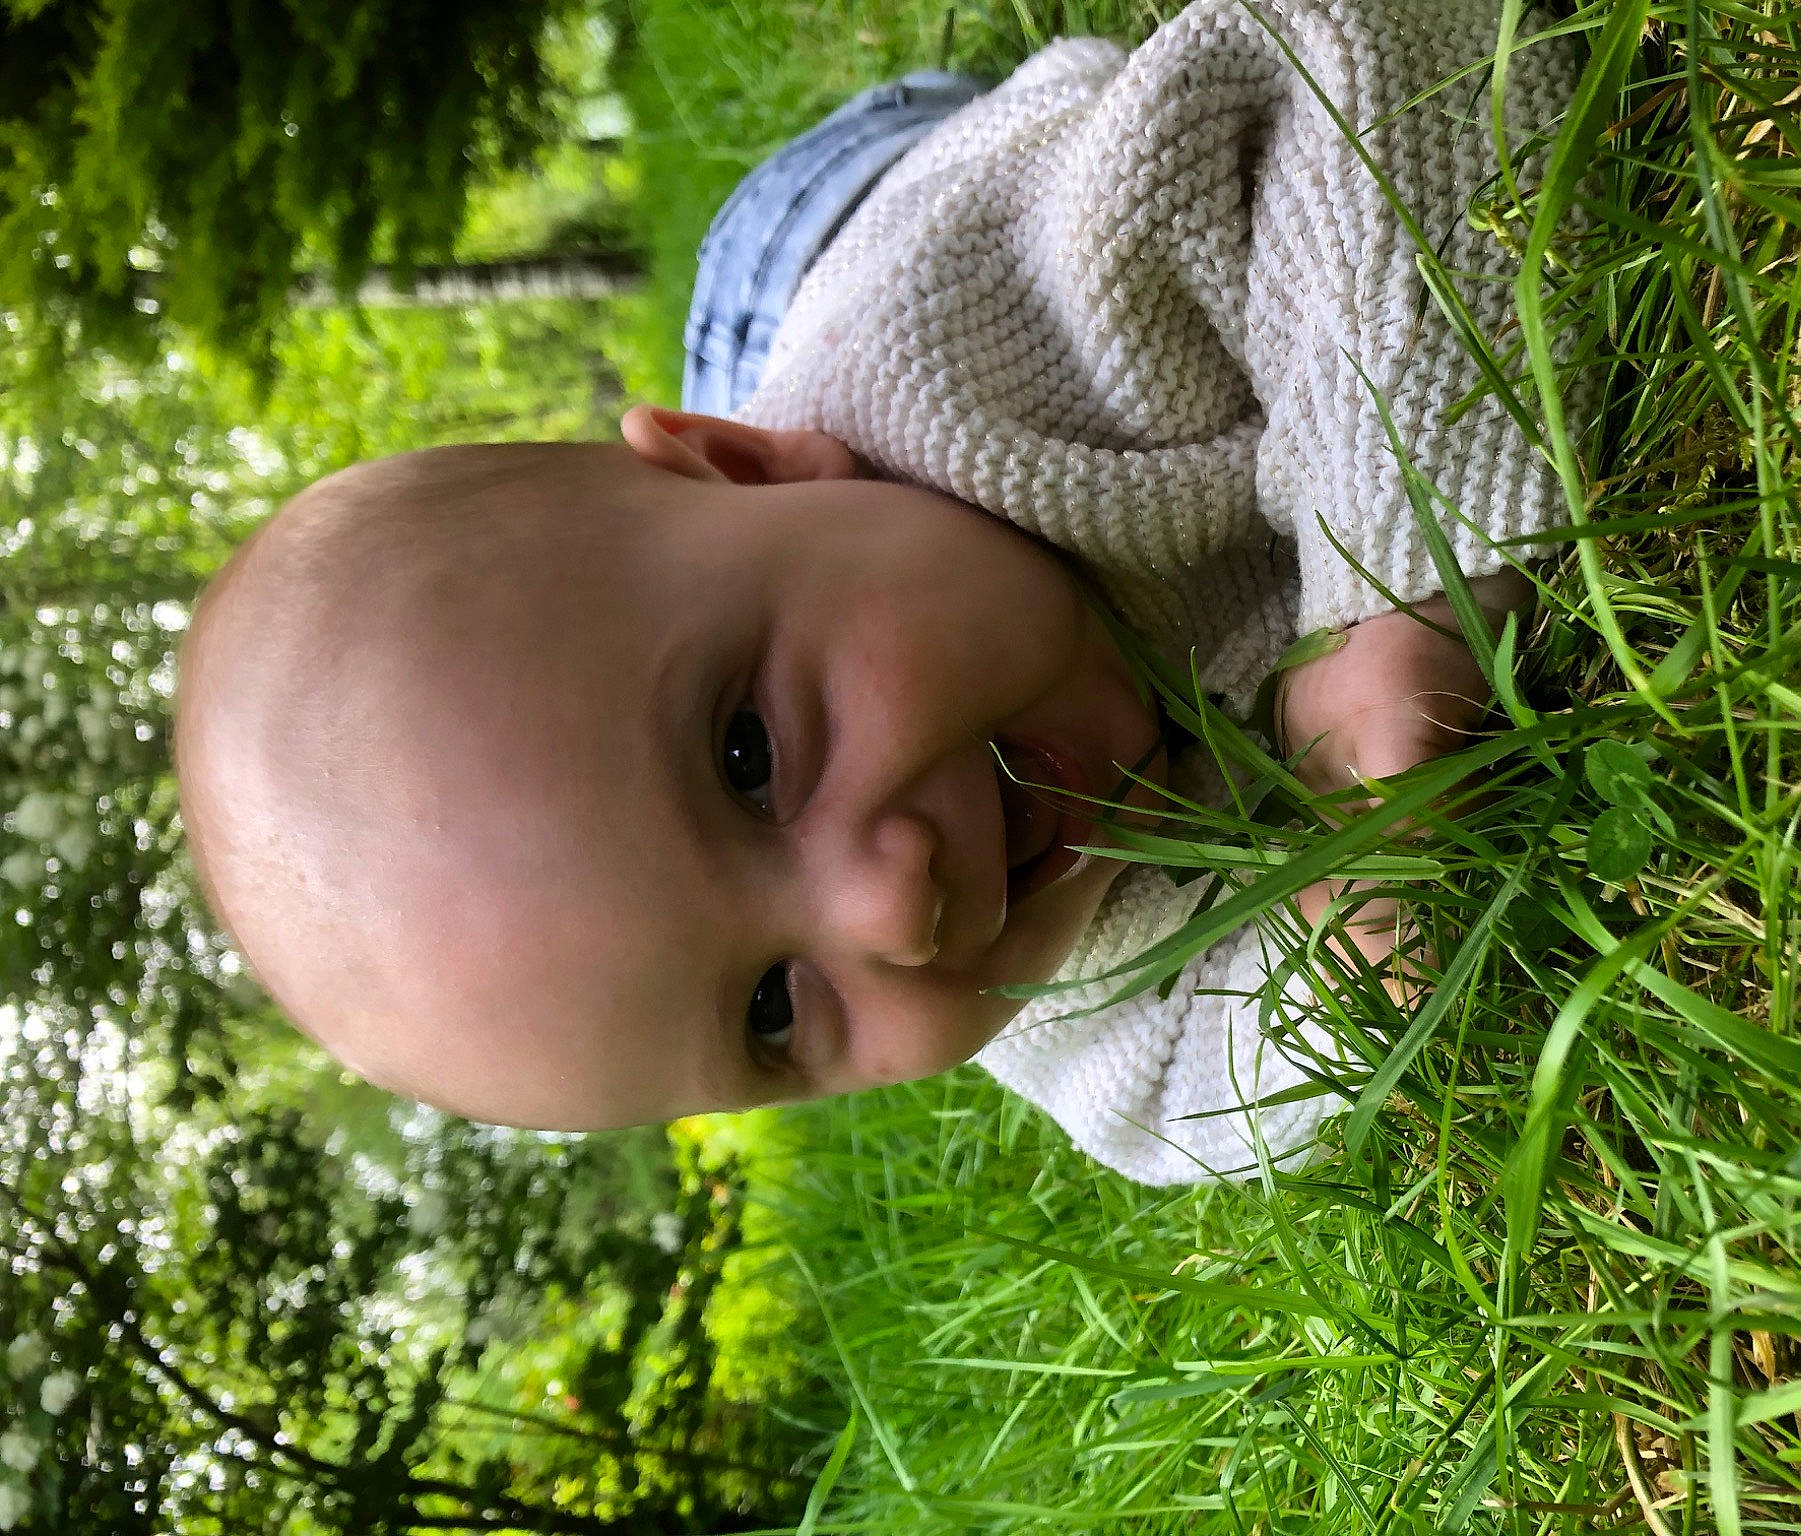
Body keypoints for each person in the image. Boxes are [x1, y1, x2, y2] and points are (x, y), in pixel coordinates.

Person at [173, 0, 1578, 1184]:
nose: (888, 915)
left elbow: (1379, 64)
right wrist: (1373, 919)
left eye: (746, 755)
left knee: (1003, 148)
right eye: (774, 1012)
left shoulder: (1005, 311)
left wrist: (1410, 588)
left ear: (744, 466)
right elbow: (1229, 1097)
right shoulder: (1063, 1002)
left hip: (829, 217)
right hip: (803, 530)